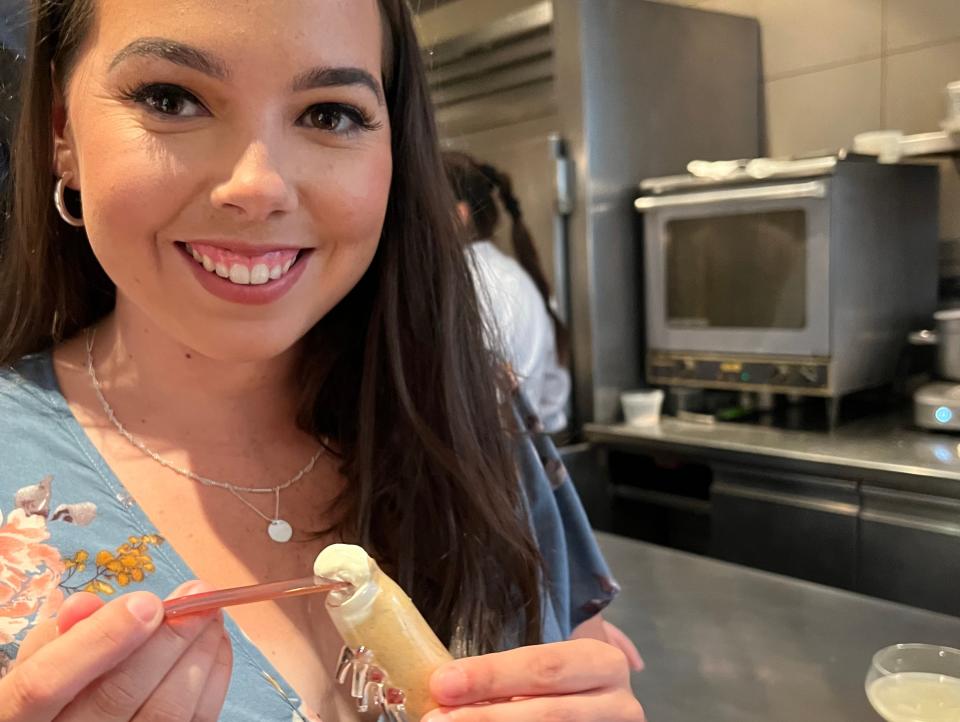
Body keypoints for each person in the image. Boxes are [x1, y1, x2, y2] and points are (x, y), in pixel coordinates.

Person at [0, 1, 646, 721]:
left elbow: (577, 653)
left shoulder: (473, 415)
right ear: (63, 133)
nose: (259, 186)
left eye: (331, 114)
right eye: (171, 98)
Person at [444, 151, 571, 433]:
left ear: (458, 215)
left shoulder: (459, 287)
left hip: (476, 469)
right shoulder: (519, 278)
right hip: (517, 465)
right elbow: (553, 407)